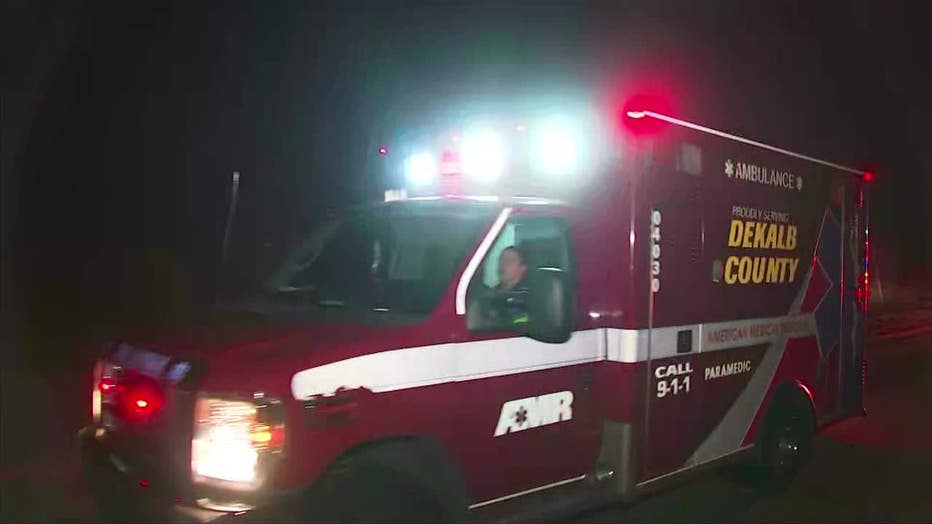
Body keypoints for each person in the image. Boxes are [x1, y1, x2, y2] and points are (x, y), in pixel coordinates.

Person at [490, 246, 530, 326]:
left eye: (509, 261)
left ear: (522, 268)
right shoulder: (492, 291)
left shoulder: (524, 296)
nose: (503, 264)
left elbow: (517, 329)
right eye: (501, 259)